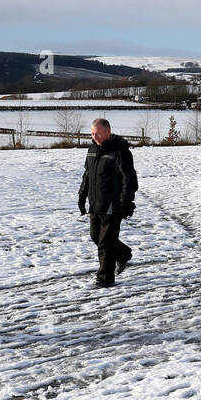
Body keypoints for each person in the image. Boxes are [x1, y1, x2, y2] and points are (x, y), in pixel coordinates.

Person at [78, 118, 138, 287]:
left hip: (113, 204)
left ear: (107, 132)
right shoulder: (91, 150)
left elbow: (130, 179)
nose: (94, 136)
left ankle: (105, 278)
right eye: (92, 133)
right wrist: (82, 196)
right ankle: (123, 254)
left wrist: (126, 202)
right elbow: (87, 176)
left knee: (106, 243)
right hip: (96, 203)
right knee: (95, 236)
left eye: (97, 133)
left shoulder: (119, 151)